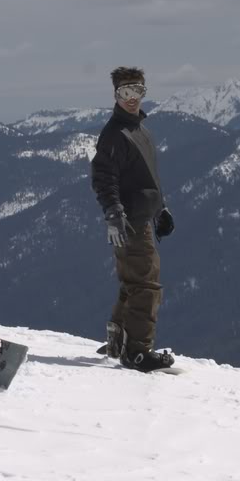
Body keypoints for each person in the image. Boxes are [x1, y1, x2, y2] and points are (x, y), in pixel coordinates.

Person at [91, 67, 176, 371]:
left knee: (133, 283)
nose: (131, 98)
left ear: (144, 93)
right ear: (116, 95)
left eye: (136, 91)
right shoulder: (115, 134)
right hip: (130, 223)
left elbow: (146, 177)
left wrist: (160, 209)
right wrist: (114, 213)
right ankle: (138, 350)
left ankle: (119, 339)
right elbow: (103, 178)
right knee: (146, 285)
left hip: (141, 217)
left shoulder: (141, 131)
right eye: (124, 93)